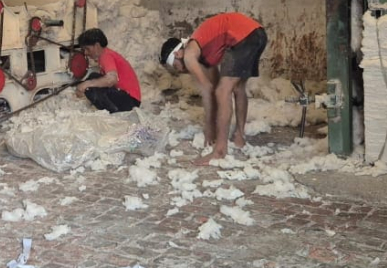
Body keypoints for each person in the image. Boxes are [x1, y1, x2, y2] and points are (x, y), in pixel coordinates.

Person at [159, 12, 266, 163]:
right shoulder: (205, 52)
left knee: (223, 91)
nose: (182, 71)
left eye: (177, 66)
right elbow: (212, 85)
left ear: (177, 54)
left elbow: (208, 90)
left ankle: (220, 151)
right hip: (257, 34)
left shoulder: (189, 54)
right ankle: (239, 136)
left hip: (243, 37)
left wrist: (209, 128)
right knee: (237, 87)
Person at [75, 28, 141, 113]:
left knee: (91, 84)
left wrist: (86, 84)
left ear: (97, 46)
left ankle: (113, 112)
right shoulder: (107, 54)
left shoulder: (106, 56)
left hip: (130, 101)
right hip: (130, 99)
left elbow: (111, 79)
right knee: (94, 78)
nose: (86, 53)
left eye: (87, 49)